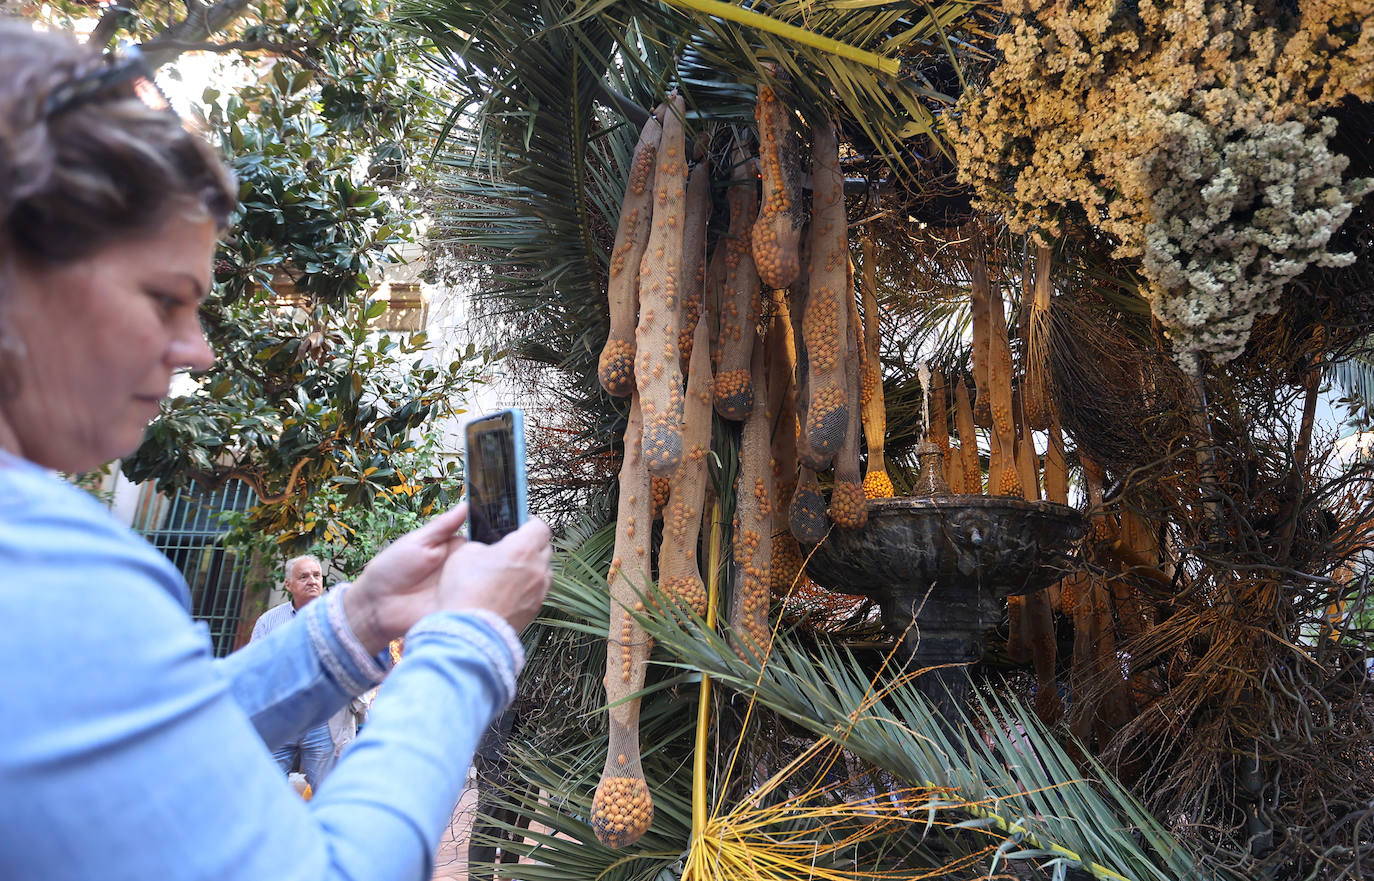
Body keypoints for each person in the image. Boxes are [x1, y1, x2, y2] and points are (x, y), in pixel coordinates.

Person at [0, 21, 553, 881]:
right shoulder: (47, 569)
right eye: (164, 299)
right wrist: (470, 640)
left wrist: (358, 622)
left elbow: (148, 744)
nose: (199, 350)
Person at [250, 554, 358, 790]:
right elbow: (255, 669)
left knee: (327, 791)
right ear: (288, 585)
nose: (312, 580)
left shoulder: (339, 618)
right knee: (267, 791)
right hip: (280, 720)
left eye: (316, 575)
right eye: (304, 576)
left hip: (323, 723)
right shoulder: (269, 622)